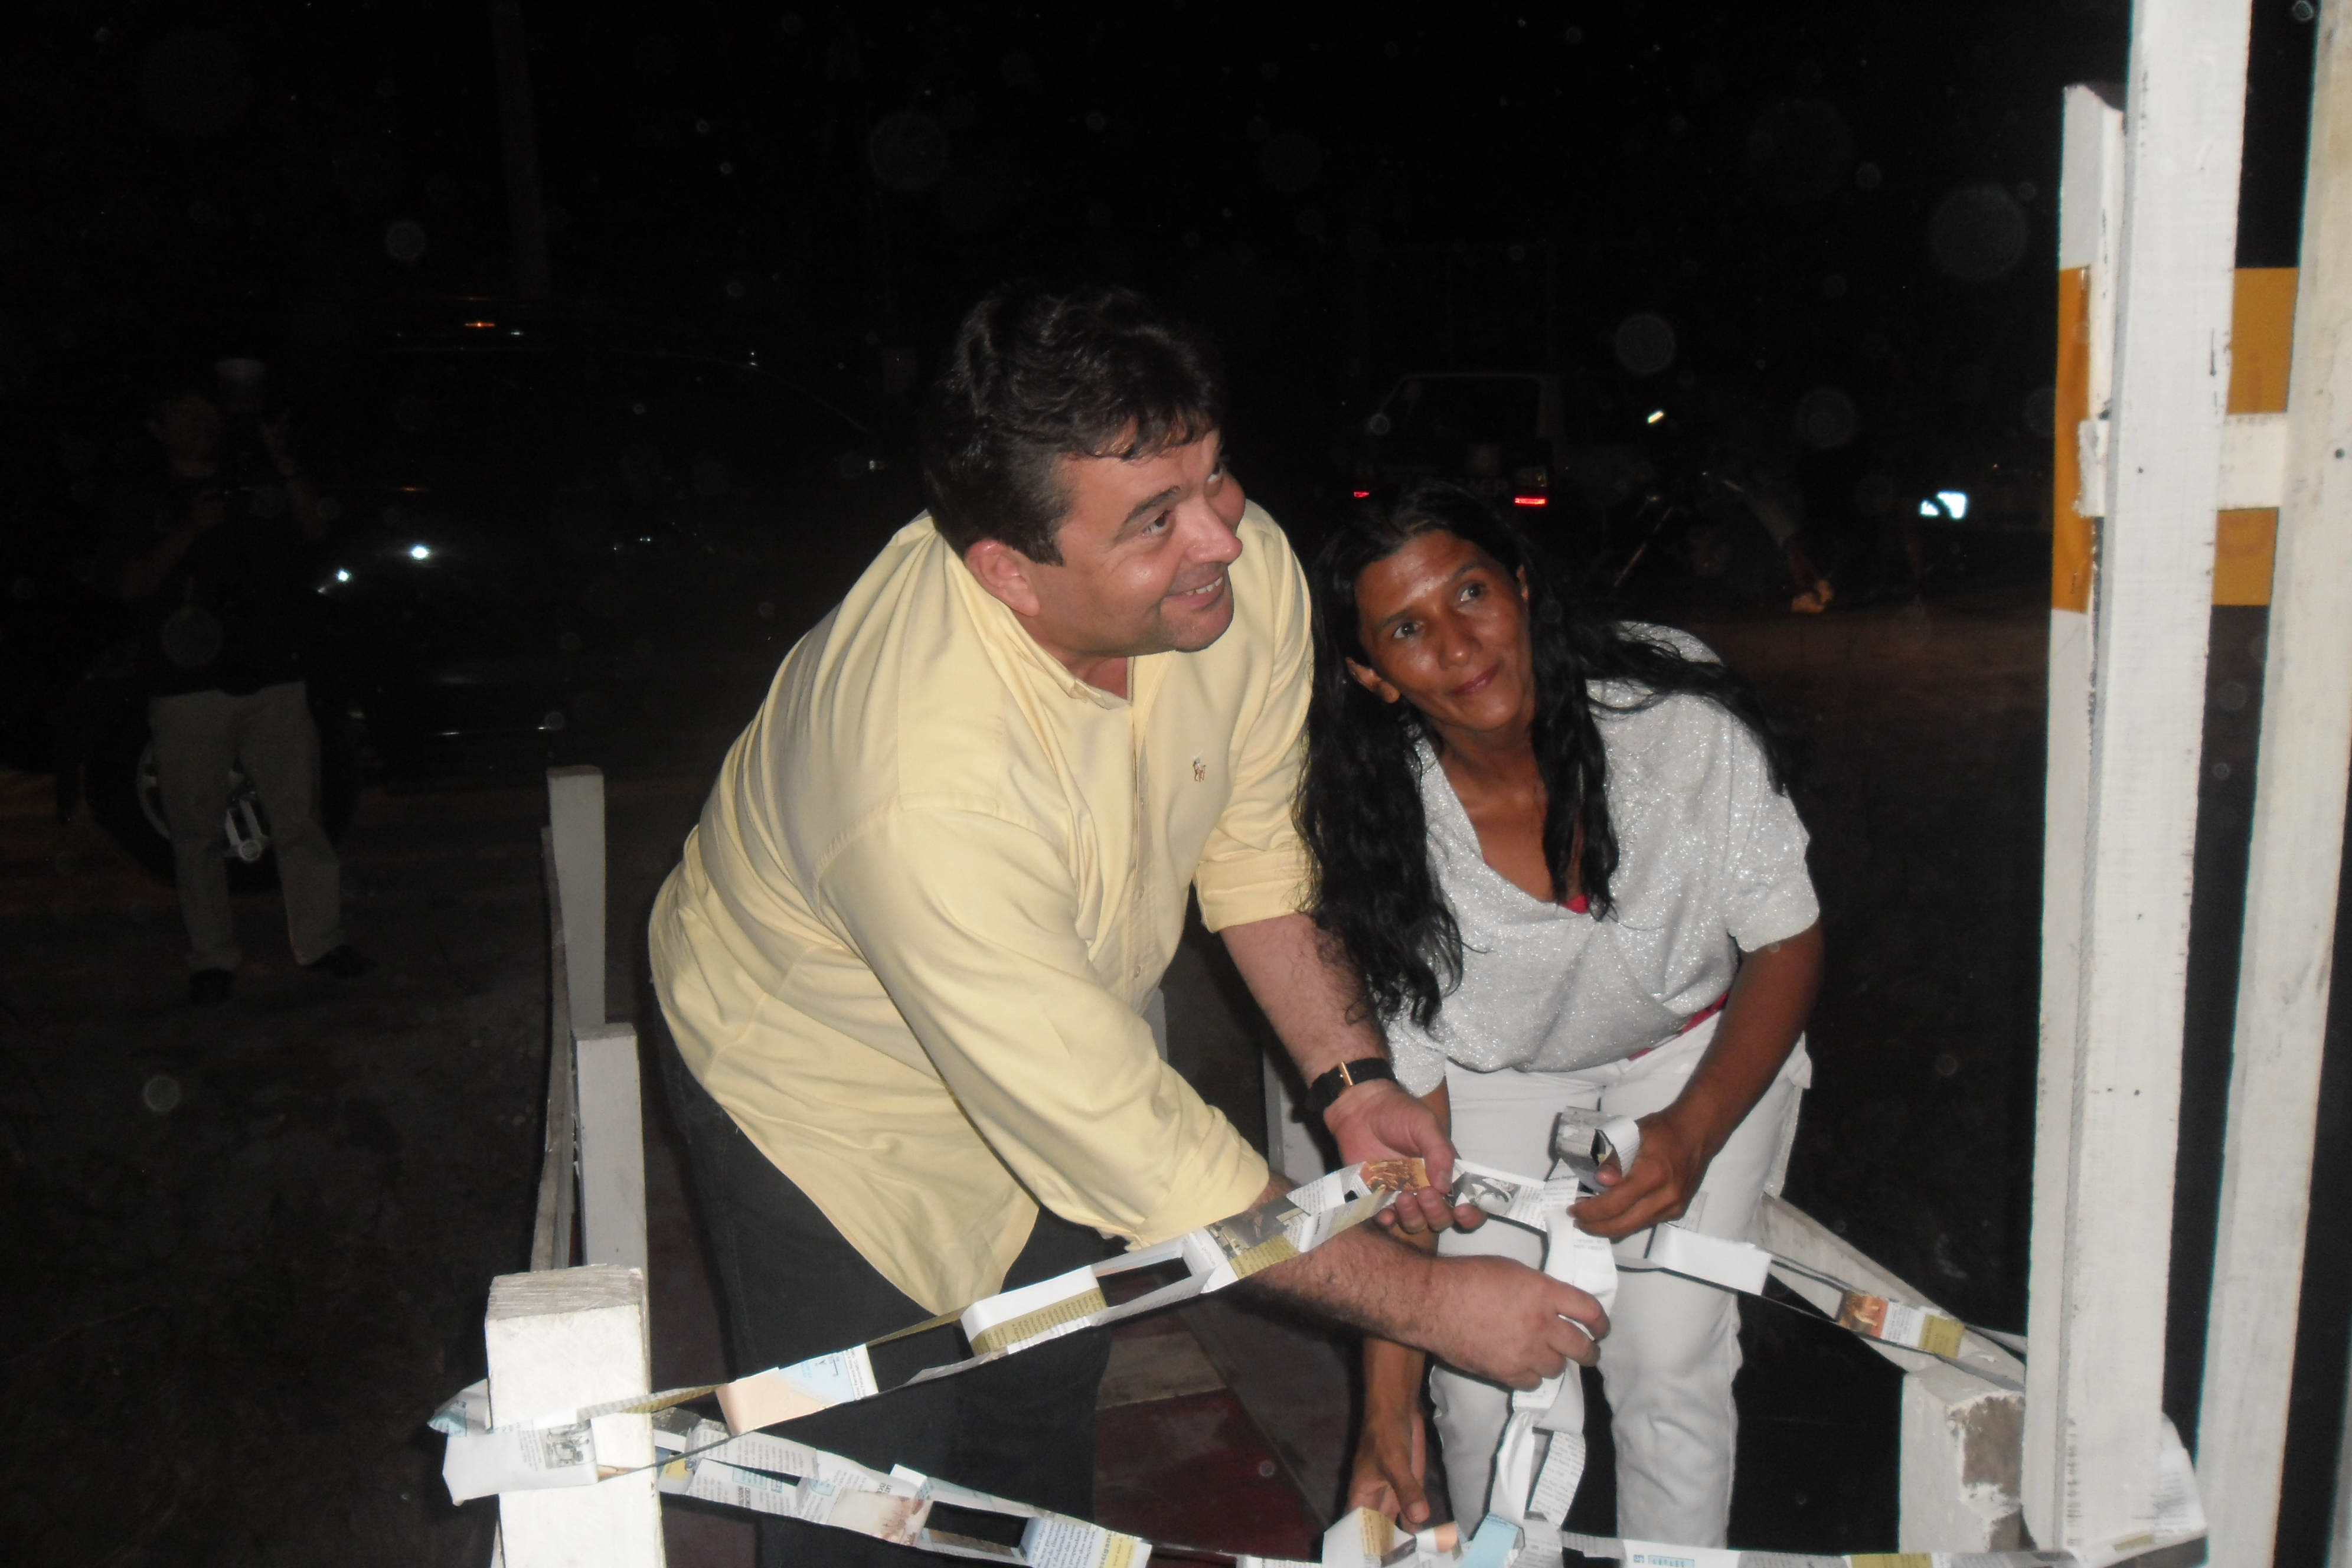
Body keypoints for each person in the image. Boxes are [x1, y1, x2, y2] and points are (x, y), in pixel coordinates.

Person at [648, 285, 1609, 1567]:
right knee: (872, 1486)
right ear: (1010, 573)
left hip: (1055, 1022)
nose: (1222, 534)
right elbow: (1136, 1154)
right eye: (1155, 519)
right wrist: (1429, 1305)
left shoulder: (1229, 575)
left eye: (1214, 477)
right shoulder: (916, 782)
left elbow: (1253, 851)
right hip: (821, 1098)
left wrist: (1352, 1080)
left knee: (1038, 1406)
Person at [1301, 482, 1822, 1546]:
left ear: (1522, 588)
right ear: (1371, 674)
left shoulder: (1670, 717)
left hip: (1694, 1053)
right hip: (1489, 1082)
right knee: (1488, 1383)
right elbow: (1411, 1148)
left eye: (1470, 592)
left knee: (1667, 1363)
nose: (1458, 644)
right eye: (1406, 629)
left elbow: (1786, 940)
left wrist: (1692, 1132)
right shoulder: (1381, 836)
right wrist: (1387, 1410)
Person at [109, 370, 371, 1005]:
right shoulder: (142, 496)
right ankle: (212, 958)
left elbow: (315, 530)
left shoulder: (252, 478)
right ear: (157, 428)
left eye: (205, 408)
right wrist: (190, 530)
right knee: (195, 832)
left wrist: (282, 459)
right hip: (187, 687)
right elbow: (128, 585)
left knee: (300, 818)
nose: (199, 421)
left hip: (274, 673)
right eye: (182, 411)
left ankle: (322, 941)